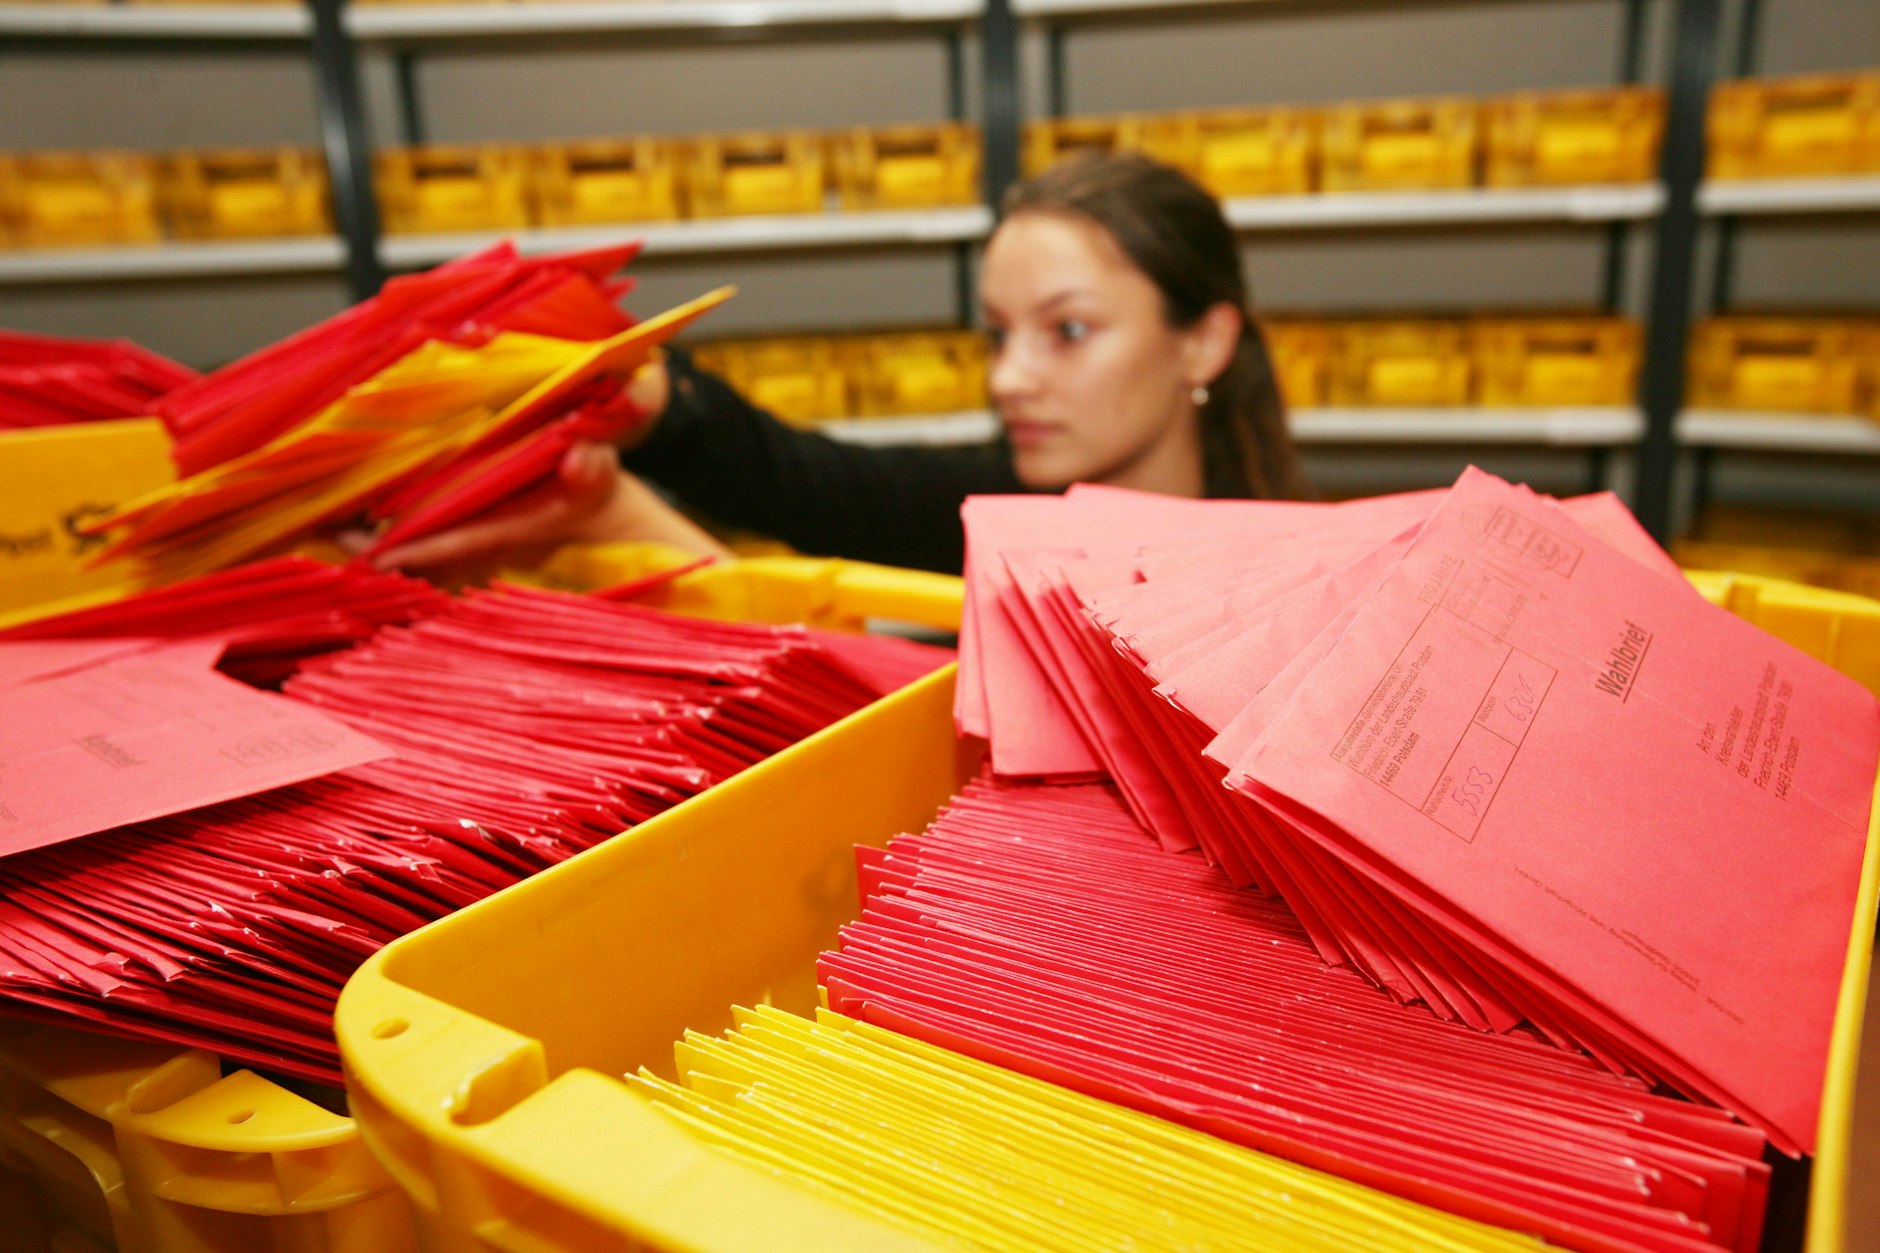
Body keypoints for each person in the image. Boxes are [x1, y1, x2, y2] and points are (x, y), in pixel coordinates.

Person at [373, 151, 1313, 578]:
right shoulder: (1001, 513)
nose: (1009, 377)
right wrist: (646, 397)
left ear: (1205, 340)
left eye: (1066, 331)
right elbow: (810, 483)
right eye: (997, 333)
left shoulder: (1303, 583)